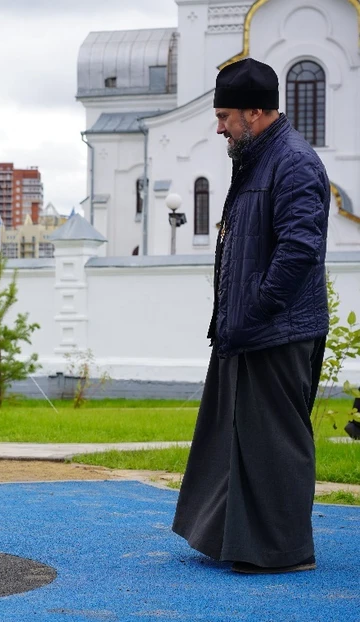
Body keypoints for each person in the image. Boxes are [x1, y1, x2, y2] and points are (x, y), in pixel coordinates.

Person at [172, 58, 330, 575]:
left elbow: (300, 249)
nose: (218, 127)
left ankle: (285, 553)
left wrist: (258, 308)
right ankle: (241, 545)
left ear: (256, 112)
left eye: (224, 115)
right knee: (241, 439)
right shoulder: (259, 159)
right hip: (248, 331)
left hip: (277, 332)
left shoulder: (294, 163)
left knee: (277, 444)